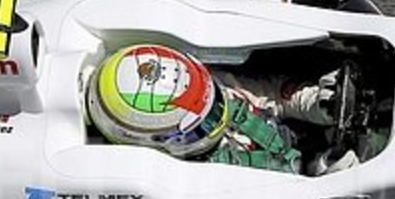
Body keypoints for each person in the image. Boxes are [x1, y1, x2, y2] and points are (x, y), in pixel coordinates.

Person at [85, 44, 348, 174]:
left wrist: (313, 103)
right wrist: (321, 177)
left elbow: (269, 94)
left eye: (214, 103)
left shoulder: (202, 87)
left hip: (294, 136)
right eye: (203, 124)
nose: (218, 118)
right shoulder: (184, 178)